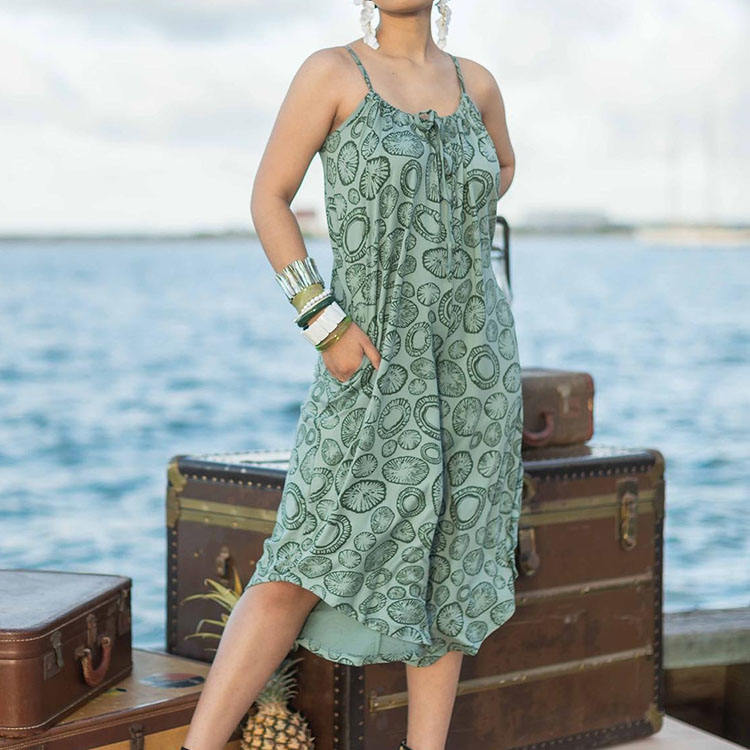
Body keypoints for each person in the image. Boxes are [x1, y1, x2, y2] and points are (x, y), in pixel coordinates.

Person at [182, 2, 521, 749]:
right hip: (369, 358)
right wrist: (322, 320)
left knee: (452, 564)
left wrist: (442, 216)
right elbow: (268, 198)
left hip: (477, 366)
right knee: (298, 559)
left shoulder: (479, 85)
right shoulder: (333, 73)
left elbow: (501, 165)